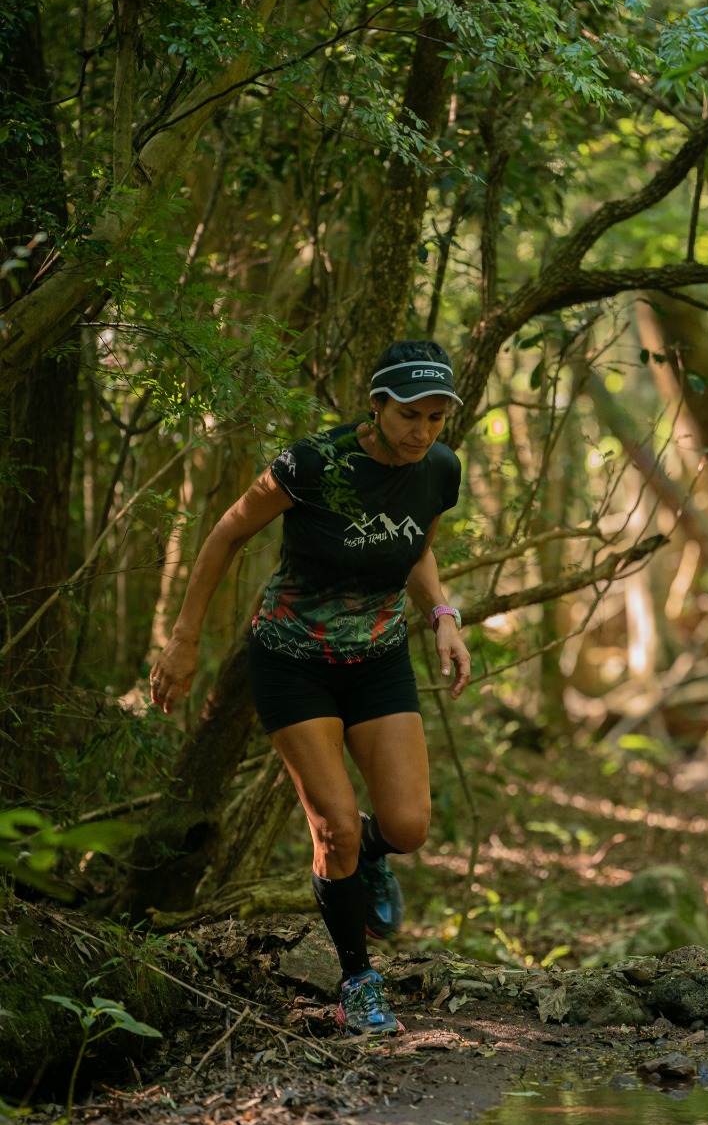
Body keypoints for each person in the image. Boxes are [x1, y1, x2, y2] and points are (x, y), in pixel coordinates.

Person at [149, 340, 471, 1037]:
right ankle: (358, 981)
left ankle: (369, 859)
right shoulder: (313, 463)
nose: (423, 430)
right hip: (293, 661)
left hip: (378, 659)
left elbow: (416, 546)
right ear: (377, 405)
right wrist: (183, 639)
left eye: (436, 418)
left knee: (408, 826)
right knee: (333, 829)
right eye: (410, 414)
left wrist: (442, 615)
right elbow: (228, 533)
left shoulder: (438, 470)